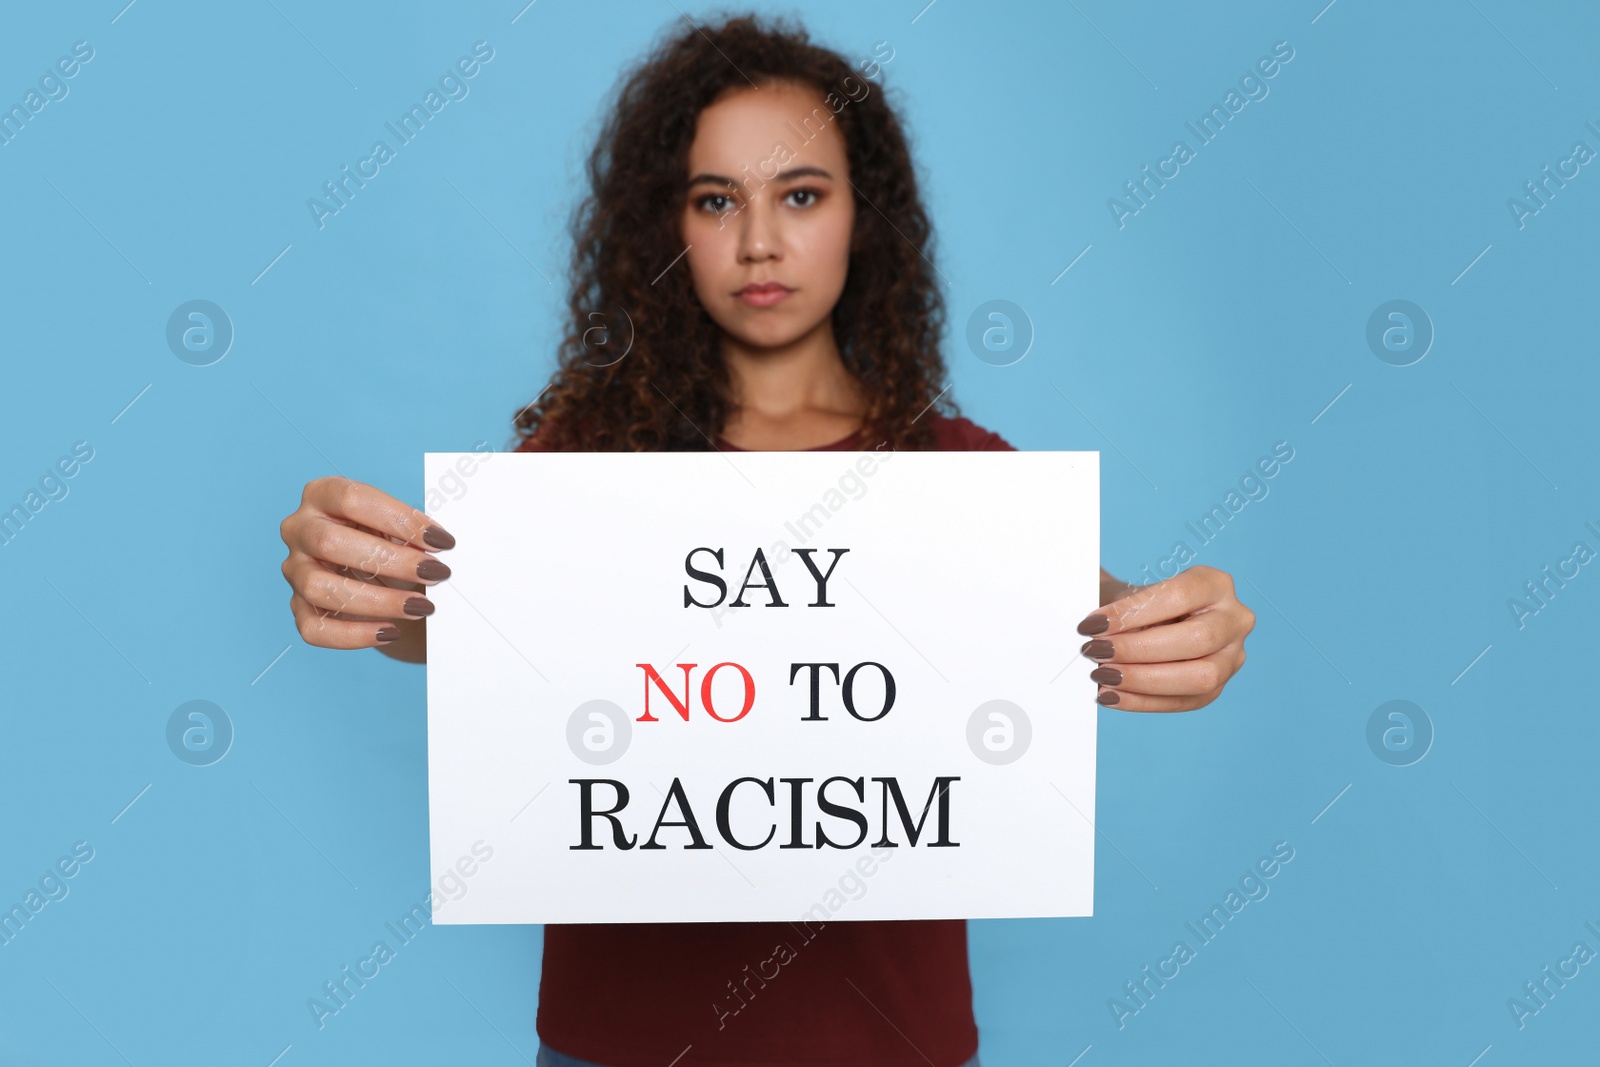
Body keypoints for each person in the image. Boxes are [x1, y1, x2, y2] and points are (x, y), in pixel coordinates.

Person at [277, 13, 1255, 1066]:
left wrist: (1169, 634)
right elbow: (471, 625)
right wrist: (370, 590)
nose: (759, 242)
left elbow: (1084, 621)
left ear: (861, 218)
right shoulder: (582, 467)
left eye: (800, 193)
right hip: (617, 1047)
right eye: (715, 200)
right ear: (668, 231)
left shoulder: (961, 471)